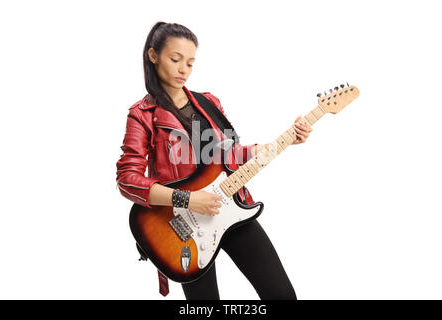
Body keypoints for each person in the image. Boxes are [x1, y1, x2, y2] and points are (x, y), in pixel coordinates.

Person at [116, 22, 312, 300]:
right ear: (153, 55)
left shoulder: (209, 103)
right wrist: (187, 199)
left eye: (191, 63)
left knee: (281, 294)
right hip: (182, 227)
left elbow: (229, 157)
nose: (184, 69)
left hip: (231, 208)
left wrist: (283, 141)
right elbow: (127, 180)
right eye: (175, 59)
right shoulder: (142, 115)